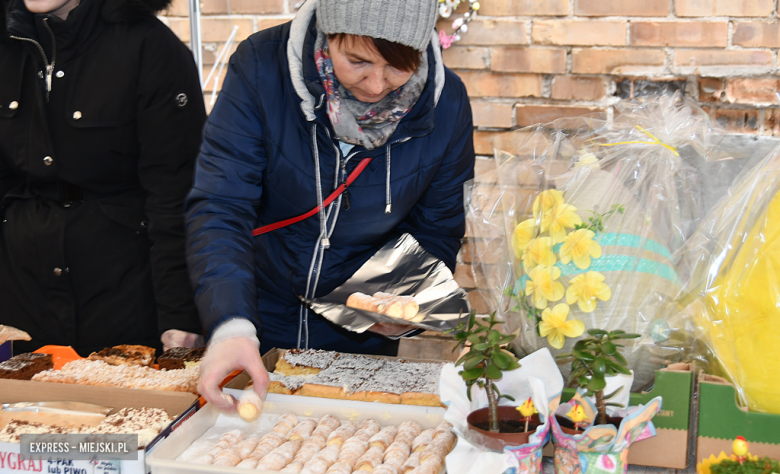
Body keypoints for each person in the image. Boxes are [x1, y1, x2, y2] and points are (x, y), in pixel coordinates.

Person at [187, 0, 475, 407]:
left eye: (398, 65)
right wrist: (231, 325)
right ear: (328, 31)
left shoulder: (446, 104)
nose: (377, 85)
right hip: (254, 314)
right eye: (357, 60)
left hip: (360, 341)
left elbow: (437, 228)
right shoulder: (262, 67)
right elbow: (221, 205)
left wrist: (405, 303)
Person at [0, 0, 206, 355]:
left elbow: (176, 196)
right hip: (20, 301)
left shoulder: (150, 48)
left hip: (122, 298)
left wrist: (180, 316)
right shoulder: (7, 43)